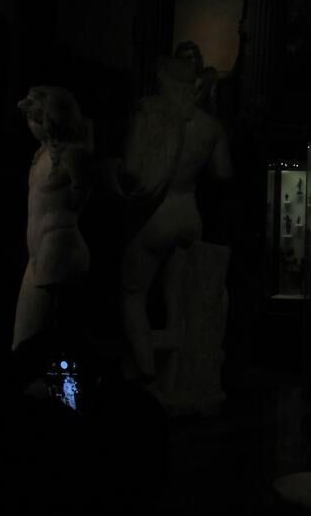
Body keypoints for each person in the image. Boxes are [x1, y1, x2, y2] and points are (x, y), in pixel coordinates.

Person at [117, 57, 232, 382]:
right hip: (189, 214)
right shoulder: (210, 126)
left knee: (132, 294)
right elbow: (223, 172)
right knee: (179, 304)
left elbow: (132, 169)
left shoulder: (150, 113)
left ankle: (146, 374)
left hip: (157, 215)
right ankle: (176, 378)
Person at [13, 86, 93, 351]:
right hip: (40, 253)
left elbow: (80, 199)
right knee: (27, 339)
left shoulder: (73, 155)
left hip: (59, 250)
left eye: (35, 119)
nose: (31, 126)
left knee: (36, 339)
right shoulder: (42, 155)